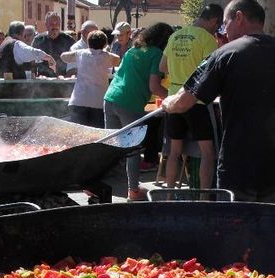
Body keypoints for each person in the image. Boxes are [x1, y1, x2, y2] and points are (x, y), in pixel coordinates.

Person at [162, 0, 275, 203]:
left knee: (235, 229)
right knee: (271, 228)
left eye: (225, 23)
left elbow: (185, 101)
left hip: (239, 165)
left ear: (238, 17)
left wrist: (167, 103)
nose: (224, 30)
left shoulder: (225, 54)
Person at [104, 22, 173, 201]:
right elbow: (154, 86)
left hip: (110, 97)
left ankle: (98, 185)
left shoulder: (134, 49)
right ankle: (133, 191)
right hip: (129, 103)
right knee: (132, 150)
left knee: (111, 146)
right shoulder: (156, 53)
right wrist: (173, 96)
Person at [160, 3, 222, 190]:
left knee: (174, 152)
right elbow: (212, 73)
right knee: (208, 154)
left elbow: (163, 67)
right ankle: (203, 199)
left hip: (173, 100)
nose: (216, 29)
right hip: (198, 101)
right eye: (217, 25)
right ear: (213, 20)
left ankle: (169, 195)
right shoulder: (208, 39)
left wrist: (179, 71)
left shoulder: (175, 35)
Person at [61, 30, 120, 127]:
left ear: (88, 42)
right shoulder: (107, 56)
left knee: (78, 136)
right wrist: (106, 51)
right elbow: (118, 60)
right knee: (96, 135)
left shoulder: (81, 54)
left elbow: (63, 57)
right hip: (98, 102)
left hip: (78, 101)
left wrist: (78, 52)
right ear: (105, 44)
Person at [33, 12, 76, 77]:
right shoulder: (38, 40)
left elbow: (76, 61)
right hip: (43, 81)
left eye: (57, 23)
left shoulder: (69, 40)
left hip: (64, 80)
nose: (55, 26)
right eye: (51, 23)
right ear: (46, 24)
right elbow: (32, 61)